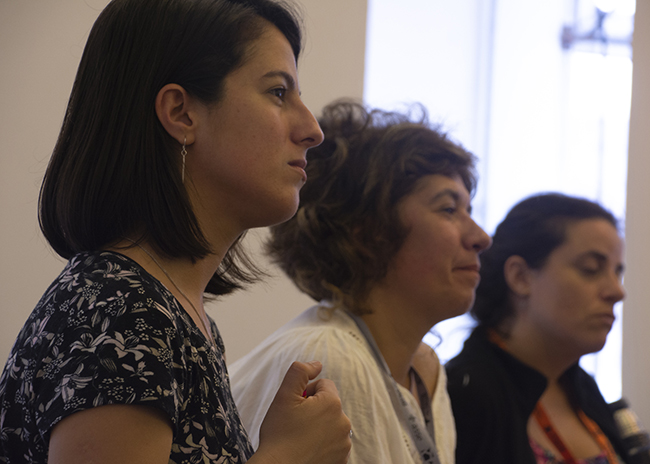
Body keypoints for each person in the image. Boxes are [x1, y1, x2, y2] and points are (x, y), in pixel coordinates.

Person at [0, 0, 353, 462]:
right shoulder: (123, 312)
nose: (312, 129)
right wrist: (287, 455)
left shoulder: (171, 313)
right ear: (181, 113)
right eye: (278, 92)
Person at [229, 100, 492, 464]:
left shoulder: (423, 366)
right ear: (368, 234)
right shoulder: (331, 357)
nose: (481, 238)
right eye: (448, 209)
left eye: (469, 210)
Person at [446, 193, 632, 464]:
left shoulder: (582, 387)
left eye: (617, 272)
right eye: (591, 269)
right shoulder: (467, 395)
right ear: (520, 277)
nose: (617, 291)